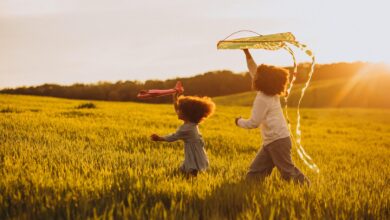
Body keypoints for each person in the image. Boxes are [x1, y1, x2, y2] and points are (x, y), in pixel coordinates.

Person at [236, 49, 310, 185]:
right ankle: (248, 188)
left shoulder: (262, 99)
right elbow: (254, 70)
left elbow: (254, 123)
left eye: (256, 77)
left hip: (277, 142)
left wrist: (239, 121)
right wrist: (247, 53)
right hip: (272, 142)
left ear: (262, 81)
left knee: (288, 172)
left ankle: (307, 186)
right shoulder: (271, 92)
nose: (253, 77)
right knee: (254, 174)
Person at [151, 83, 215, 178]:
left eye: (180, 110)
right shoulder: (191, 122)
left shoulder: (186, 129)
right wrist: (175, 96)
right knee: (186, 169)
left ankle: (192, 184)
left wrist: (159, 138)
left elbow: (173, 137)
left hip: (194, 154)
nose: (177, 111)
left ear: (187, 114)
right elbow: (177, 108)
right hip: (194, 151)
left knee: (192, 170)